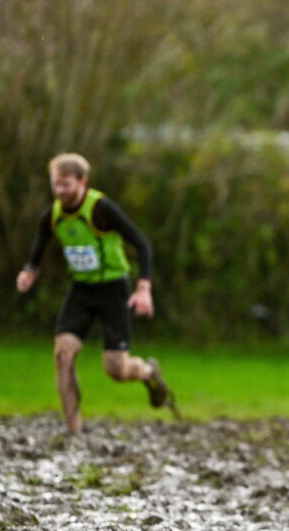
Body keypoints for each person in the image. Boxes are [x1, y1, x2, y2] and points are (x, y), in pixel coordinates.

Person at [16, 153, 172, 433]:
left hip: (114, 290)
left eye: (66, 185)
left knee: (116, 369)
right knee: (63, 355)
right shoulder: (52, 215)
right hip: (81, 291)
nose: (60, 191)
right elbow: (37, 253)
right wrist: (29, 272)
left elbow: (142, 243)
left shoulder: (102, 209)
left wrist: (144, 287)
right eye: (56, 185)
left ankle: (148, 372)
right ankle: (73, 429)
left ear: (82, 182)